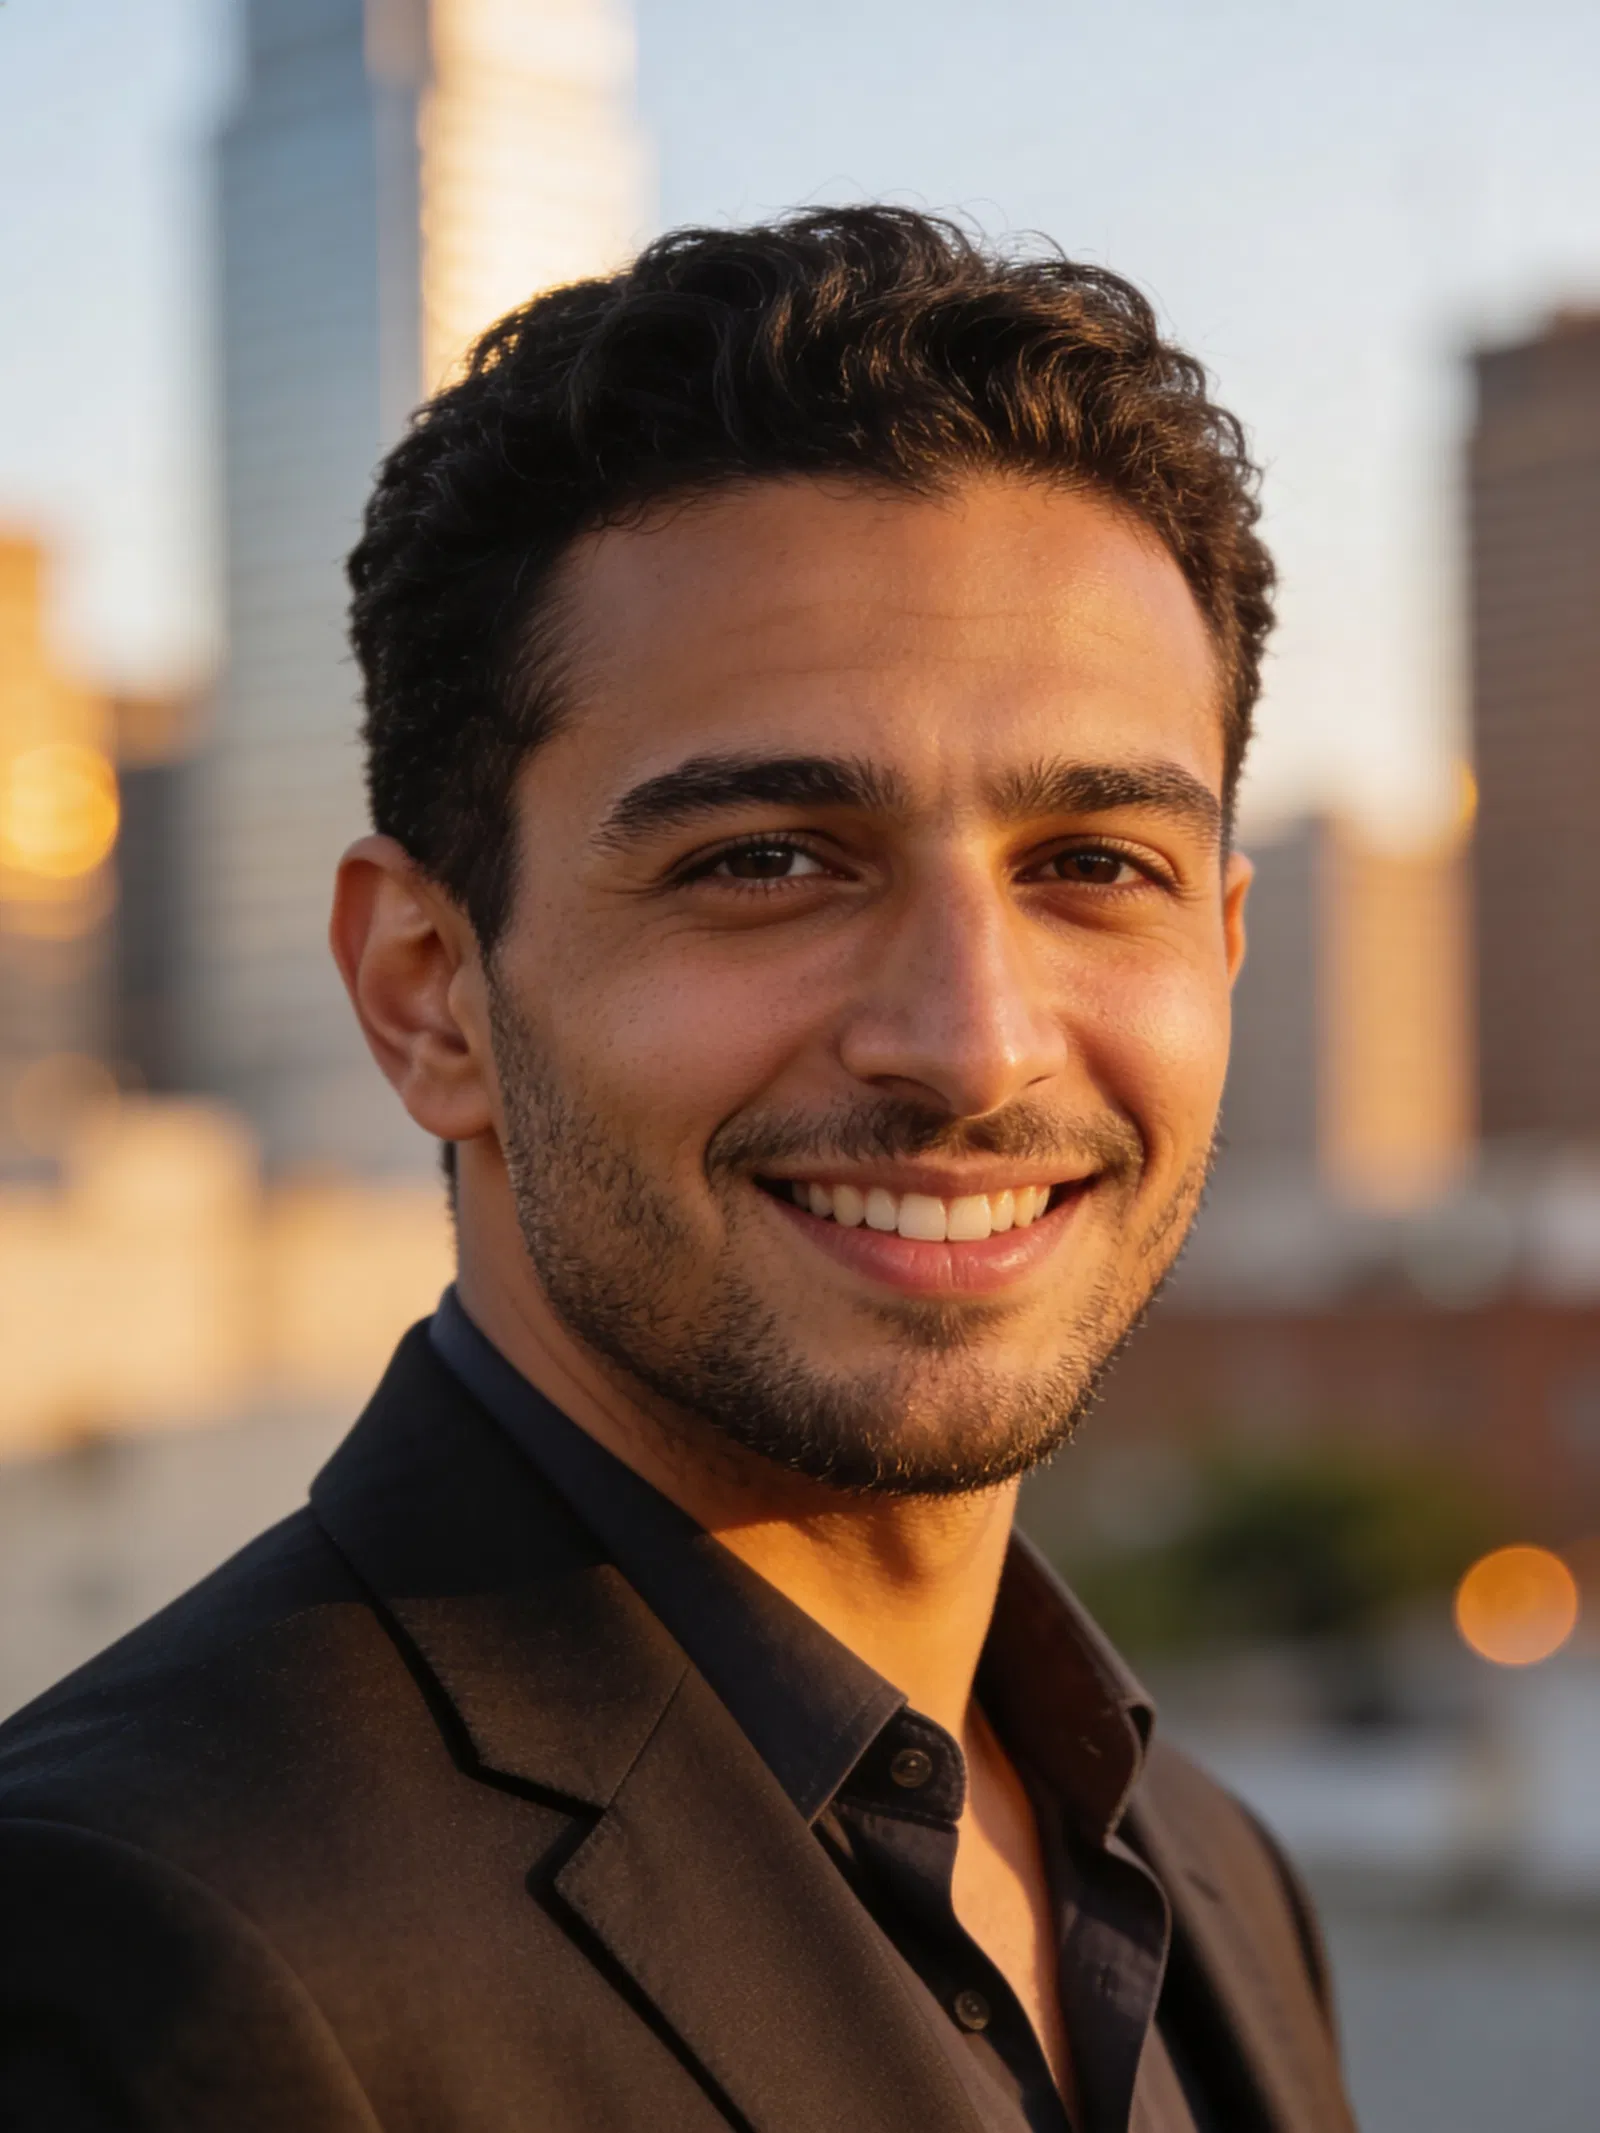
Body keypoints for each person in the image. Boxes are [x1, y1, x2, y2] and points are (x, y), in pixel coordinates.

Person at [0, 207, 1355, 2133]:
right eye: (768, 861)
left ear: (1220, 946)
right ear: (428, 994)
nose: (972, 1044)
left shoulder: (1207, 1873)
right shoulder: (138, 1943)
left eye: (1092, 867)